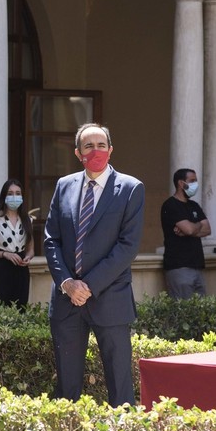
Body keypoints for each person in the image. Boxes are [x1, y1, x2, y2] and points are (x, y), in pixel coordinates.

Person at [43, 123, 144, 407]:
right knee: (66, 389)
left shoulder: (130, 188)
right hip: (66, 301)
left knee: (120, 386)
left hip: (110, 299)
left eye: (101, 145)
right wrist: (67, 283)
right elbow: (51, 240)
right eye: (88, 146)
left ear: (110, 150)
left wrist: (88, 286)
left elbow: (127, 246)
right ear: (78, 153)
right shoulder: (64, 186)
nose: (95, 151)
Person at [0, 178, 34, 310]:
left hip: (21, 271)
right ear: (4, 196)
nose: (14, 196)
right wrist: (5, 254)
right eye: (10, 193)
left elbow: (31, 249)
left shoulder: (27, 220)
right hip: (1, 270)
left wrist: (28, 257)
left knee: (20, 311)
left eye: (17, 193)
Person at [160, 168, 210, 299]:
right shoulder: (170, 205)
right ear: (181, 183)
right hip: (179, 267)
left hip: (197, 266)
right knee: (183, 312)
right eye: (192, 181)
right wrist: (196, 225)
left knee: (201, 312)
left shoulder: (194, 205)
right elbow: (190, 229)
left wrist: (192, 227)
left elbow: (207, 229)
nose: (196, 184)